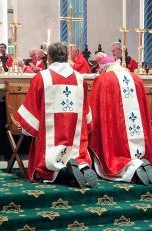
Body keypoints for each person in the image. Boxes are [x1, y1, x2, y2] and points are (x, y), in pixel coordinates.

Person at [15, 42, 97, 187]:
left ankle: (60, 171)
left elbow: (32, 110)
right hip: (74, 131)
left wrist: (25, 127)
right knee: (77, 150)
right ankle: (81, 165)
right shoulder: (80, 78)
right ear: (66, 57)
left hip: (51, 136)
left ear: (49, 58)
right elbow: (85, 111)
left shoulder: (42, 77)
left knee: (47, 164)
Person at [89, 56, 152, 185]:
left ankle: (131, 168)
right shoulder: (136, 78)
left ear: (102, 69)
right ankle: (140, 161)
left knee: (116, 154)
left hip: (116, 129)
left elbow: (96, 110)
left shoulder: (103, 79)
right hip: (137, 132)